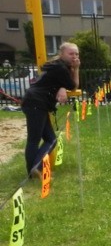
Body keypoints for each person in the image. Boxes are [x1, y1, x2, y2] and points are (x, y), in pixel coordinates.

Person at [21, 42, 80, 177]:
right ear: (62, 54)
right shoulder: (61, 68)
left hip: (37, 103)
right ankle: (34, 170)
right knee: (34, 140)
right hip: (36, 103)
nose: (74, 57)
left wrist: (62, 87)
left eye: (76, 54)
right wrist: (76, 69)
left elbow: (60, 82)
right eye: (71, 53)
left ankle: (35, 168)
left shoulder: (57, 66)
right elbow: (73, 86)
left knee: (51, 139)